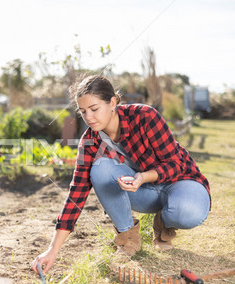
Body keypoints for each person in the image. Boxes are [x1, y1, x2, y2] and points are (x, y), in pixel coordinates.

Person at [32, 75, 210, 274]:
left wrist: (143, 177)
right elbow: (77, 193)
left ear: (113, 103)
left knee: (188, 213)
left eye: (94, 109)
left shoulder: (145, 116)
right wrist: (52, 250)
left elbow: (175, 164)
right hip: (144, 192)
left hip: (180, 181)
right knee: (100, 168)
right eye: (83, 112)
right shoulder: (90, 142)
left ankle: (164, 226)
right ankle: (128, 238)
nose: (88, 117)